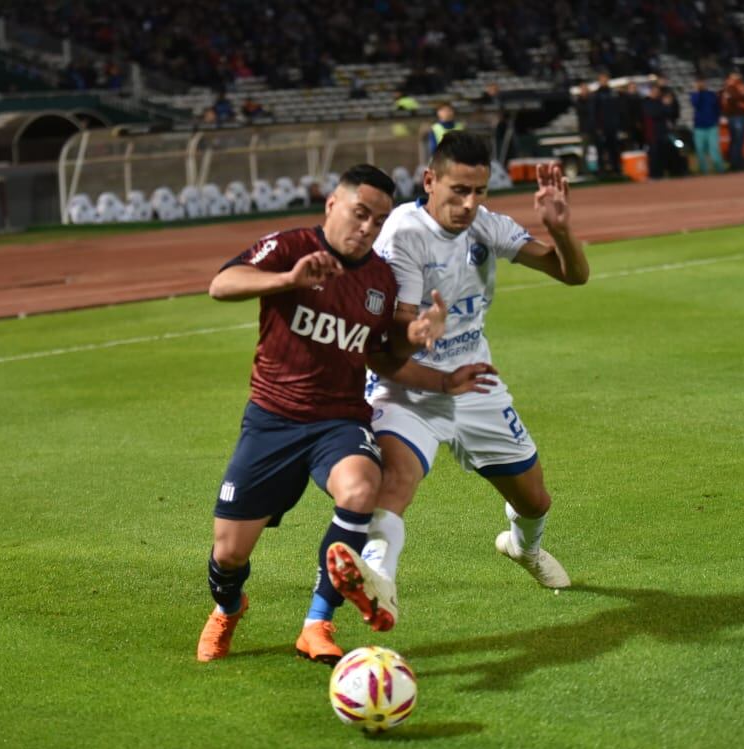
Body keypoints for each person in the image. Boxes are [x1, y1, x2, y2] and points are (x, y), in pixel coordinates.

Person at [196, 164, 495, 664]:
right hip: (271, 420)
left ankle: (317, 623)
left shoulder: (378, 279)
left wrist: (440, 372)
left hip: (338, 422)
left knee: (361, 487)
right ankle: (228, 607)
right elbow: (221, 284)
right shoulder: (290, 246)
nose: (368, 229)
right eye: (361, 214)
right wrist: (288, 279)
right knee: (229, 554)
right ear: (333, 204)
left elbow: (382, 356)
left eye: (379, 221)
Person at [326, 132, 590, 631]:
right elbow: (394, 335)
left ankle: (522, 547)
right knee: (397, 480)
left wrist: (561, 229)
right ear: (429, 181)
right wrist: (419, 332)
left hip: (475, 380)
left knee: (535, 501)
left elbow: (572, 275)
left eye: (479, 191)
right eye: (458, 191)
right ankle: (379, 582)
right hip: (407, 383)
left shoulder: (487, 228)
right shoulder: (404, 232)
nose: (469, 204)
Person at [690, 77, 724, 174]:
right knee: (700, 150)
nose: (700, 84)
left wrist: (716, 120)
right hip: (699, 127)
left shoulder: (711, 95)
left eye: (702, 82)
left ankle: (719, 169)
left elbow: (717, 108)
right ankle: (704, 171)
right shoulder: (694, 95)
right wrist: (697, 91)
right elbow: (695, 103)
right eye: (698, 83)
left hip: (712, 126)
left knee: (714, 149)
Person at [719, 71, 744, 170]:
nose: (736, 79)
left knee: (739, 140)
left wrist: (741, 98)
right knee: (737, 140)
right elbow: (733, 99)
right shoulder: (728, 89)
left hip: (740, 116)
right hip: (735, 117)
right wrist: (741, 98)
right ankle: (735, 163)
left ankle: (738, 162)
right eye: (733, 77)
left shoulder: (740, 87)